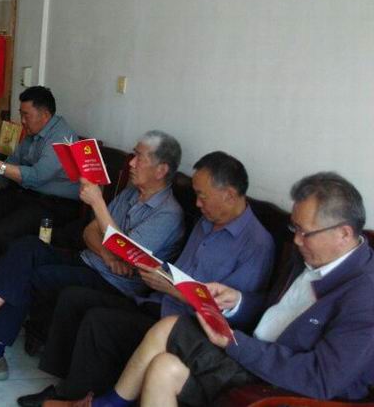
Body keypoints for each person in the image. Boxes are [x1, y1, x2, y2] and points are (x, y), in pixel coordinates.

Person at [43, 174, 369, 407]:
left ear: (344, 233)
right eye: (294, 228)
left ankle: (105, 405)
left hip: (281, 386)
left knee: (171, 327)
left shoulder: (364, 295)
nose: (296, 240)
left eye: (305, 232)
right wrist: (237, 301)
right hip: (256, 356)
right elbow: (278, 311)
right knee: (163, 368)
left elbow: (320, 380)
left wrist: (235, 343)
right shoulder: (310, 257)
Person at [20, 151, 276, 406]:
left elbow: (228, 314)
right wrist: (156, 270)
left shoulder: (257, 244)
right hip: (154, 301)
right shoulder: (206, 223)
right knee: (75, 299)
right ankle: (68, 390)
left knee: (98, 321)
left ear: (229, 194)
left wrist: (171, 288)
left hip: (183, 327)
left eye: (202, 196)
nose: (197, 204)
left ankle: (72, 399)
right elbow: (180, 270)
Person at [0, 131, 186, 381]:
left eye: (139, 158)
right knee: (27, 246)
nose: (131, 163)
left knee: (28, 274)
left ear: (161, 170)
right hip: (92, 261)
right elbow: (90, 232)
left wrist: (98, 204)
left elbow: (126, 253)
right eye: (133, 155)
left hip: (112, 282)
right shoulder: (131, 194)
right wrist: (108, 254)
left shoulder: (168, 214)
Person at [0, 86, 82, 290]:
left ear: (45, 115)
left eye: (26, 115)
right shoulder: (33, 134)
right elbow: (12, 162)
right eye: (21, 114)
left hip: (57, 205)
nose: (23, 121)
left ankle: (4, 287)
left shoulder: (61, 138)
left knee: (4, 231)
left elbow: (37, 176)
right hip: (31, 195)